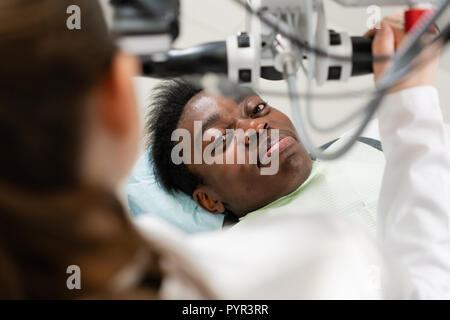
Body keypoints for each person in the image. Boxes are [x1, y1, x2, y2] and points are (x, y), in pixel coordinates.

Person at [0, 0, 448, 299]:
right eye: (220, 139)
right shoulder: (235, 271)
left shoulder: (374, 141)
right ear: (209, 200)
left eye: (257, 109)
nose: (255, 129)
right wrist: (412, 109)